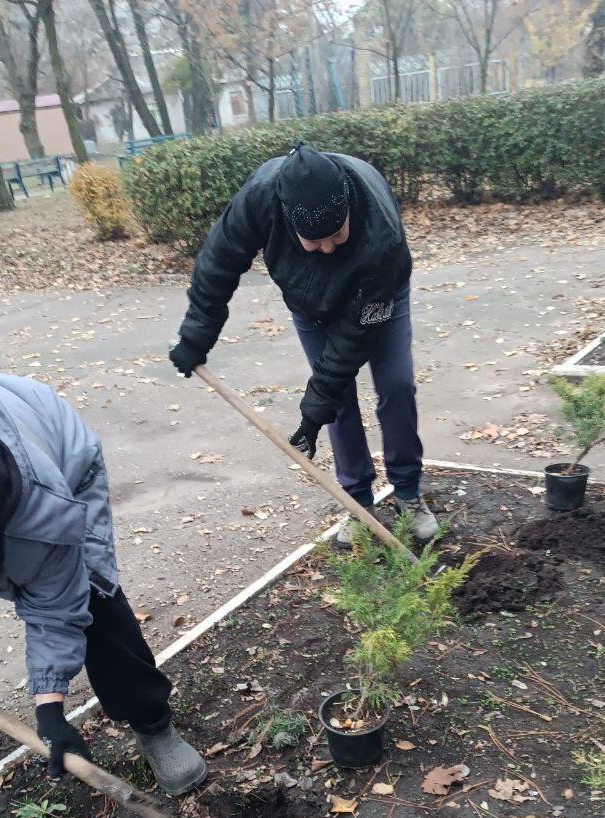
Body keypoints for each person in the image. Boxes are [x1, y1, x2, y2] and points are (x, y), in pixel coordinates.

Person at [0, 360, 206, 799]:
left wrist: (50, 710)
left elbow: (56, 608)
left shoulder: (39, 505)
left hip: (53, 449)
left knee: (94, 595)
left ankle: (152, 721)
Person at [170, 142, 438, 547]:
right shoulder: (260, 199)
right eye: (314, 240)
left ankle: (407, 492)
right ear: (287, 220)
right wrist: (196, 335)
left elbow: (352, 341)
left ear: (348, 211)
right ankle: (357, 502)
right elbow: (218, 263)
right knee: (339, 402)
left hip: (377, 294)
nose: (328, 248)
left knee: (397, 385)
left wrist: (312, 413)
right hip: (310, 303)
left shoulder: (381, 237)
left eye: (336, 235)